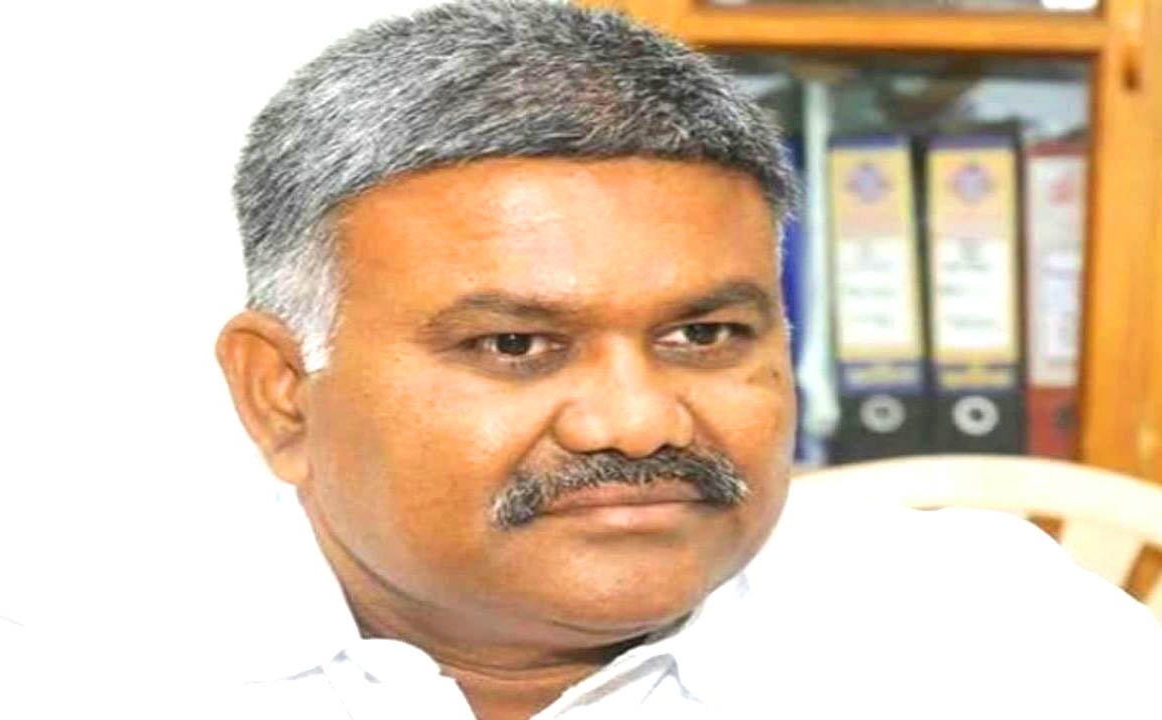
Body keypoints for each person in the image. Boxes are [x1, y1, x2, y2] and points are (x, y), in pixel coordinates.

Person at [207, 1, 1162, 718]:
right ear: (280, 395)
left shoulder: (994, 638)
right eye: (515, 345)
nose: (637, 422)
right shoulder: (132, 662)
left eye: (702, 336)